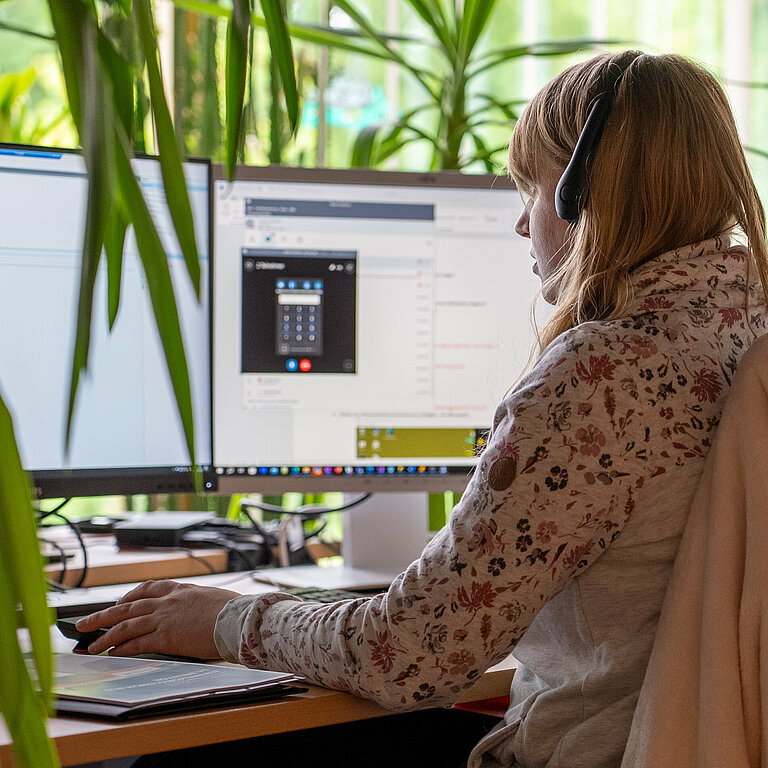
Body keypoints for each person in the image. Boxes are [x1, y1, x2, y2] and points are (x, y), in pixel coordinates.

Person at [77, 50, 768, 768]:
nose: (519, 224)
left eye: (530, 186)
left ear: (582, 194)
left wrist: (222, 619)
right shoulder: (745, 328)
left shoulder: (602, 375)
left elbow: (410, 653)